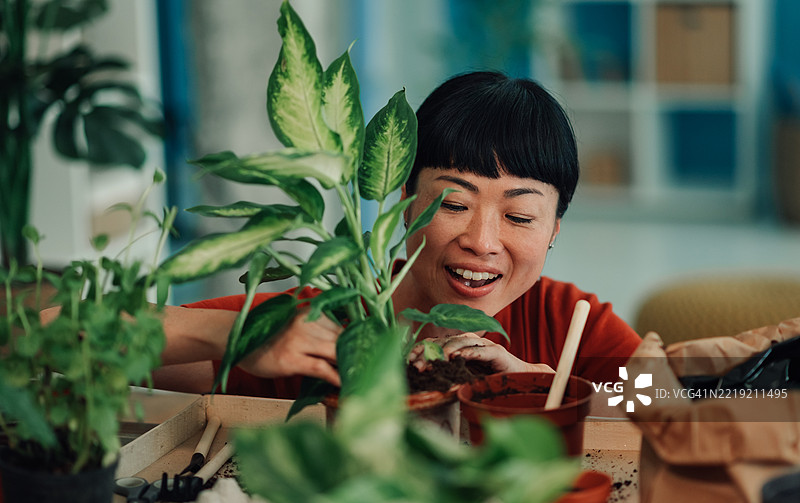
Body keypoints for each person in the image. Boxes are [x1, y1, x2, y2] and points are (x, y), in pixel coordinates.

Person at [153, 71, 642, 397]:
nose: (483, 241)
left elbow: (694, 401)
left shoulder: (565, 321)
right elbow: (79, 333)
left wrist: (552, 388)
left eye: (519, 217)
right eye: (454, 204)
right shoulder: (328, 323)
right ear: (404, 204)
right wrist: (241, 335)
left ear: (554, 229)